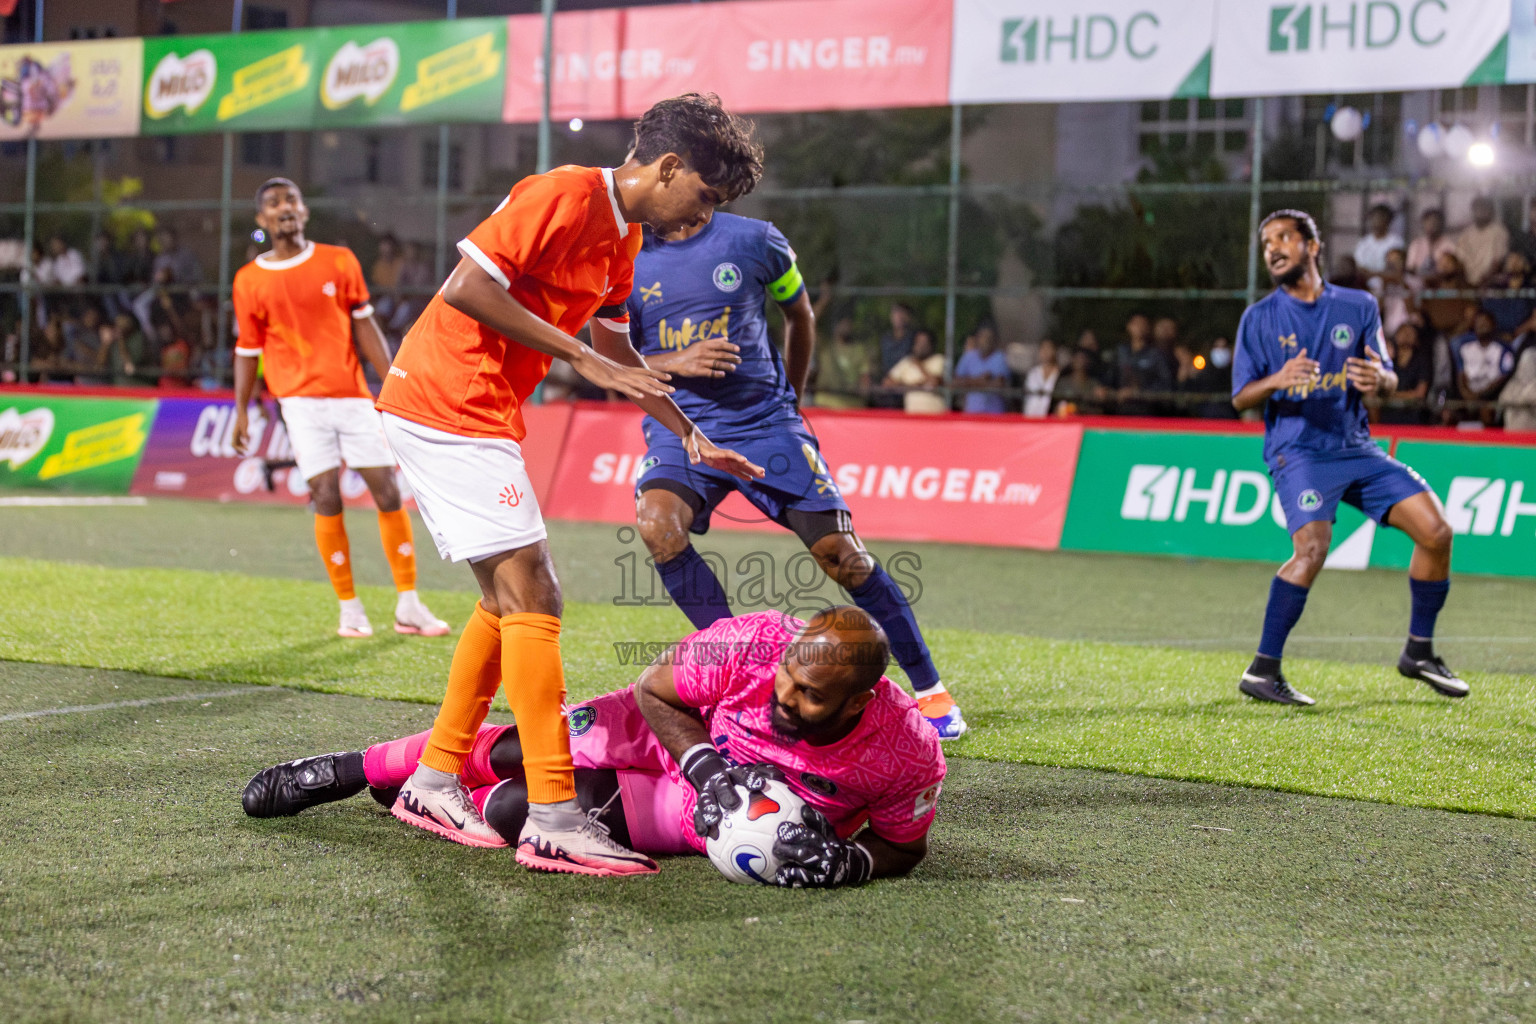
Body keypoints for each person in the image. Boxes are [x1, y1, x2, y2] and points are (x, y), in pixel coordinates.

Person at [372, 93, 765, 875]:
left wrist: (693, 437)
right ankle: (554, 813)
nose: (704, 215)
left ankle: (434, 778)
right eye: (706, 197)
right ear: (669, 165)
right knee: (537, 595)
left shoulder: (623, 247)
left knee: (506, 600)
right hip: (447, 398)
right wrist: (582, 359)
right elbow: (466, 289)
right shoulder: (562, 193)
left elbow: (622, 360)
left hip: (477, 409)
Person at [241, 607, 945, 889]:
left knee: (517, 809)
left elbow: (905, 846)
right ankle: (342, 770)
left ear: (859, 701)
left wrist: (852, 863)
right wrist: (707, 767)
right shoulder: (754, 641)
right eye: (787, 679)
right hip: (670, 733)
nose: (784, 701)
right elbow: (655, 691)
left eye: (810, 698)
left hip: (693, 812)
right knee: (521, 748)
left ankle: (423, 800)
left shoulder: (907, 749)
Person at [627, 208, 967, 740]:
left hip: (766, 422)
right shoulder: (621, 257)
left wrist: (793, 403)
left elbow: (800, 315)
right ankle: (737, 669)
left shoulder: (757, 239)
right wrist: (680, 360)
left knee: (842, 555)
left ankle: (931, 691)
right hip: (681, 424)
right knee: (656, 525)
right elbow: (610, 361)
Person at [1231, 209, 1465, 706]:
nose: (1272, 248)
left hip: (1357, 448)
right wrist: (1278, 380)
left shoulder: (1358, 305)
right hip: (1299, 452)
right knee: (1312, 550)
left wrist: (1378, 380)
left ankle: (1419, 652)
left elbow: (1388, 372)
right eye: (1266, 241)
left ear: (1312, 246)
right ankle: (1262, 670)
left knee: (1437, 532)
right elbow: (1241, 397)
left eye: (1283, 238)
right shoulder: (1259, 318)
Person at [230, 178, 447, 642]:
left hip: (350, 396)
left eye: (291, 199)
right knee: (325, 495)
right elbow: (248, 350)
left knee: (387, 491)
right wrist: (242, 411)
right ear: (262, 220)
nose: (284, 208)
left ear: (304, 210)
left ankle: (408, 603)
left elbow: (364, 325)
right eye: (273, 203)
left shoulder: (339, 260)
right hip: (299, 403)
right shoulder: (248, 280)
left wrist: (392, 380)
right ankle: (349, 608)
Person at [1452, 308, 1515, 425]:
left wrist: (1481, 397)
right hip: (1468, 394)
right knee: (1451, 409)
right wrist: (1466, 394)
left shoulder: (1504, 349)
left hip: (1492, 395)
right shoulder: (1465, 347)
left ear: (1493, 325)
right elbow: (1461, 375)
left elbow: (1502, 378)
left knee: (1486, 410)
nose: (1482, 326)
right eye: (1479, 323)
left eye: (1485, 323)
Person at [1114, 313, 1173, 415]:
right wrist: (1104, 388)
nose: (1139, 328)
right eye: (1136, 324)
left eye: (1143, 324)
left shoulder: (1156, 354)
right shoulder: (1121, 352)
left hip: (1148, 412)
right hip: (1121, 411)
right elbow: (1111, 377)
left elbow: (1166, 383)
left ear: (1148, 329)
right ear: (1129, 326)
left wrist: (1139, 392)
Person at [812, 315, 872, 408]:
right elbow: (807, 319)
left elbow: (865, 377)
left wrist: (864, 390)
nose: (846, 326)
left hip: (852, 406)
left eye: (849, 323)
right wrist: (825, 300)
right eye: (842, 322)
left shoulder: (859, 350)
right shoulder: (825, 346)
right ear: (835, 326)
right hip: (825, 404)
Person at [883, 327, 946, 414]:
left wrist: (918, 365)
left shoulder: (938, 359)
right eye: (918, 342)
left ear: (931, 345)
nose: (920, 346)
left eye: (924, 342)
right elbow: (887, 382)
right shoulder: (907, 362)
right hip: (912, 416)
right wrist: (912, 385)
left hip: (935, 415)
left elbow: (933, 382)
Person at [1380, 321, 1432, 425]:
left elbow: (1420, 393)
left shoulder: (1421, 361)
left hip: (1412, 416)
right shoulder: (1389, 361)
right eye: (1402, 331)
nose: (1406, 334)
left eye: (1410, 332)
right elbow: (1381, 390)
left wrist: (1394, 396)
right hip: (1388, 417)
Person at [953, 321, 1009, 414]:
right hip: (972, 413)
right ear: (977, 338)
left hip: (995, 414)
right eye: (983, 337)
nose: (986, 341)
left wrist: (969, 382)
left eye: (989, 338)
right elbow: (955, 383)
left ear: (994, 340)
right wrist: (981, 380)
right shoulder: (968, 357)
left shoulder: (1000, 358)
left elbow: (999, 384)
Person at [1455, 196, 1508, 287]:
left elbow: (1498, 262)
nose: (1481, 212)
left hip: (1490, 283)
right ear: (1473, 211)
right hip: (1466, 283)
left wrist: (1484, 282)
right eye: (1478, 208)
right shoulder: (1466, 234)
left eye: (1485, 208)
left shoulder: (1499, 231)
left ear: (1491, 211)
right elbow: (1459, 260)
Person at [1052, 343, 1108, 415]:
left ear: (1088, 362)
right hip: (1068, 421)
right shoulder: (1063, 383)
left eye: (1083, 358)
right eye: (1077, 358)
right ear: (1072, 360)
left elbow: (1099, 409)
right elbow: (1056, 406)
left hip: (1088, 421)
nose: (1080, 362)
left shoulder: (1094, 384)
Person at [1353, 203, 1403, 275]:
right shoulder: (1364, 242)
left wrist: (1371, 273)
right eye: (1374, 217)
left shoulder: (1396, 242)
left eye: (1380, 217)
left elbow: (1394, 270)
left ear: (1388, 221)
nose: (1377, 221)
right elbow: (1358, 265)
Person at [1406, 208, 1456, 279]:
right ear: (1423, 224)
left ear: (1441, 224)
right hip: (1418, 285)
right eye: (1428, 221)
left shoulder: (1449, 245)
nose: (1432, 225)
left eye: (1435, 222)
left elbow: (1451, 270)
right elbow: (1410, 267)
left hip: (1440, 285)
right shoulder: (1416, 244)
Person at [1022, 338, 1059, 417]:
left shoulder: (1059, 374)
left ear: (1054, 351)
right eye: (1043, 348)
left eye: (1048, 348)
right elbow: (1028, 395)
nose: (1045, 351)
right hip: (1031, 415)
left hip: (1050, 417)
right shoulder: (1033, 373)